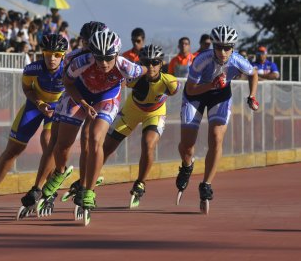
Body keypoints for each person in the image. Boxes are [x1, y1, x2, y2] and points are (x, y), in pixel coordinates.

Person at [40, 29, 147, 221]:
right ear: (92, 54)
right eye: (99, 58)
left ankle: (88, 191)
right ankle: (60, 172)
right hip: (81, 95)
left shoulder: (126, 66)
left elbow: (144, 70)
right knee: (63, 144)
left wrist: (154, 72)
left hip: (107, 98)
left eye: (108, 58)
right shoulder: (81, 61)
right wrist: (83, 104)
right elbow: (68, 83)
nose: (104, 63)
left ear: (116, 54)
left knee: (96, 140)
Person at [0, 34, 69, 216]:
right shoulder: (32, 69)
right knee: (13, 149)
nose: (51, 59)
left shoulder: (69, 69)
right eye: (47, 54)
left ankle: (43, 188)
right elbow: (27, 89)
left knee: (49, 141)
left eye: (57, 55)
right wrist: (39, 103)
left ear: (63, 55)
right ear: (42, 53)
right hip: (35, 105)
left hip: (57, 109)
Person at [18, 21, 108, 218]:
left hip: (100, 97)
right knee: (57, 142)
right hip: (77, 95)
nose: (89, 47)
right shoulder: (71, 57)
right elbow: (67, 84)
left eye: (93, 43)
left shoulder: (109, 56)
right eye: (86, 42)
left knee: (89, 139)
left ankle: (85, 187)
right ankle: (56, 175)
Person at [175, 25, 259, 214]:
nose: (222, 52)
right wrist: (211, 85)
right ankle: (187, 166)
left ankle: (206, 184)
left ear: (233, 47)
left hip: (220, 96)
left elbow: (253, 74)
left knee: (216, 137)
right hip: (196, 95)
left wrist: (251, 96)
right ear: (213, 46)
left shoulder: (237, 60)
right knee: (187, 146)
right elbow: (190, 90)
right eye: (218, 47)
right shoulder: (201, 60)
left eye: (227, 47)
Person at [103, 44, 180, 208]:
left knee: (148, 144)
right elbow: (115, 85)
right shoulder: (134, 77)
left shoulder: (170, 82)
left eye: (155, 63)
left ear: (161, 64)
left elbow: (175, 92)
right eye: (147, 62)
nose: (151, 67)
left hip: (155, 113)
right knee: (106, 148)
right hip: (132, 110)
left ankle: (140, 183)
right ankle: (88, 178)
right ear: (141, 63)